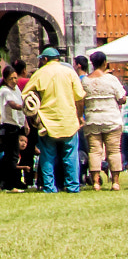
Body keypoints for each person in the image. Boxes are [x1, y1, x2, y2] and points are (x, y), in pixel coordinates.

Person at [25, 46, 86, 193]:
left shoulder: (40, 74)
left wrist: (33, 116)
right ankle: (73, 186)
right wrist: (79, 115)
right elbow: (80, 97)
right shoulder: (70, 72)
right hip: (68, 119)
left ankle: (49, 186)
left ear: (45, 59)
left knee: (47, 156)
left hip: (47, 121)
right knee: (70, 156)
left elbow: (26, 96)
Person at [81, 51, 125, 190]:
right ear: (105, 63)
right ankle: (115, 182)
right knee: (113, 151)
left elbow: (80, 99)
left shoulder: (85, 81)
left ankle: (95, 182)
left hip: (92, 118)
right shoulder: (111, 79)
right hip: (111, 118)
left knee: (94, 151)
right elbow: (122, 98)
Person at [0, 61, 31, 189]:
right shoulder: (4, 91)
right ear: (5, 79)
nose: (14, 81)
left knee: (10, 155)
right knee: (12, 156)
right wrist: (24, 106)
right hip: (8, 125)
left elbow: (21, 110)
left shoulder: (16, 89)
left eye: (15, 78)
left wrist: (25, 123)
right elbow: (13, 104)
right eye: (11, 78)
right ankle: (10, 183)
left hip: (17, 124)